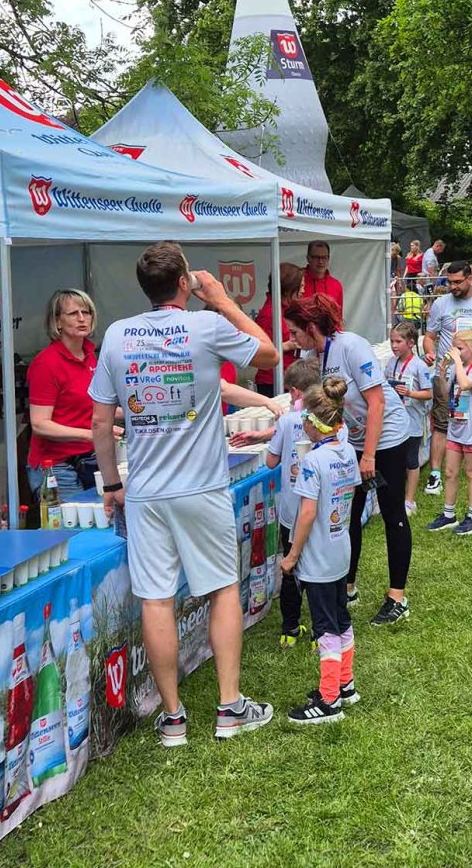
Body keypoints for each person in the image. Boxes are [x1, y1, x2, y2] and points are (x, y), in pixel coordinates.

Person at [90, 243, 279, 746]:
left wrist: (112, 484)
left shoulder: (115, 334)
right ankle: (229, 707)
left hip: (146, 490)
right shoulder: (205, 324)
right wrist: (220, 299)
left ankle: (173, 717)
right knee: (221, 589)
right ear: (183, 284)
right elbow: (268, 352)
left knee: (155, 598)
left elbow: (100, 422)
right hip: (201, 485)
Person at [285, 294, 413, 626]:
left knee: (391, 510)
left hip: (387, 437)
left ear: (312, 328)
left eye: (296, 333)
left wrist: (368, 455)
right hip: (354, 439)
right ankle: (348, 586)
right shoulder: (317, 354)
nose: (293, 340)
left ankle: (397, 597)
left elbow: (378, 404)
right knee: (348, 513)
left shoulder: (351, 346)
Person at [280, 378, 362, 724]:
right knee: (341, 618)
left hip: (317, 558)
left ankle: (329, 701)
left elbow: (308, 513)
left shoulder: (313, 461)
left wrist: (292, 555)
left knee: (324, 627)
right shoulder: (345, 452)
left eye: (303, 422)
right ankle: (346, 683)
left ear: (314, 424)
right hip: (340, 547)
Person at [257, 358, 325, 648]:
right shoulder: (333, 420)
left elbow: (271, 460)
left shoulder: (286, 421)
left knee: (290, 566)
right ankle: (322, 631)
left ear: (296, 393)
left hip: (291, 511)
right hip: (320, 510)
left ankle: (289, 628)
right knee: (318, 569)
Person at [423, 261, 472, 495]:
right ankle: (436, 474)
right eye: (449, 282)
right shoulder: (441, 304)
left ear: (470, 279)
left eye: (457, 282)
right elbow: (430, 337)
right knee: (441, 421)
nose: (452, 286)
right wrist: (430, 351)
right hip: (447, 375)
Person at [26, 289, 102, 501]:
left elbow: (96, 406)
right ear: (57, 322)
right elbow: (40, 424)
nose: (81, 318)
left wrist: (142, 412)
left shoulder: (90, 356)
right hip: (56, 466)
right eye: (73, 313)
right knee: (68, 530)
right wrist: (91, 434)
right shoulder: (46, 363)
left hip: (89, 460)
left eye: (86, 312)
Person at [426, 329, 472, 536]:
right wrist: (443, 374)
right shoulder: (455, 368)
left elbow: (466, 384)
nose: (455, 352)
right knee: (450, 472)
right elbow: (446, 393)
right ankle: (449, 514)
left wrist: (458, 364)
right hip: (455, 427)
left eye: (459, 348)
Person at [385, 322, 433, 517]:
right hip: (393, 420)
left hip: (412, 420)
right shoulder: (390, 362)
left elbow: (429, 393)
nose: (394, 345)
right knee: (393, 460)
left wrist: (410, 393)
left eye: (398, 341)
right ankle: (392, 496)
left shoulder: (419, 366)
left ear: (411, 343)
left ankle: (410, 499)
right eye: (391, 341)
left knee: (410, 459)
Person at [254, 261, 304, 398]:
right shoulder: (269, 313)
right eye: (300, 287)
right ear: (289, 287)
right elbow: (260, 350)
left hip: (288, 377)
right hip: (272, 381)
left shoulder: (285, 309)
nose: (303, 291)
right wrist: (286, 346)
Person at [302, 240, 344, 313]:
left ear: (328, 258)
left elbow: (338, 318)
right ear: (308, 258)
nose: (320, 261)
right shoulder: (297, 281)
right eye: (316, 257)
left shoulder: (336, 285)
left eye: (324, 257)